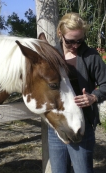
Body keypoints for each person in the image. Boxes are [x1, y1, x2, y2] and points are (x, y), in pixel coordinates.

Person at [48, 12, 106, 173]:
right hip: (56, 125)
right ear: (60, 34)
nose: (75, 45)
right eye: (70, 41)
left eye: (79, 41)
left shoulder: (91, 56)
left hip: (82, 124)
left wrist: (94, 97)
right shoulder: (51, 55)